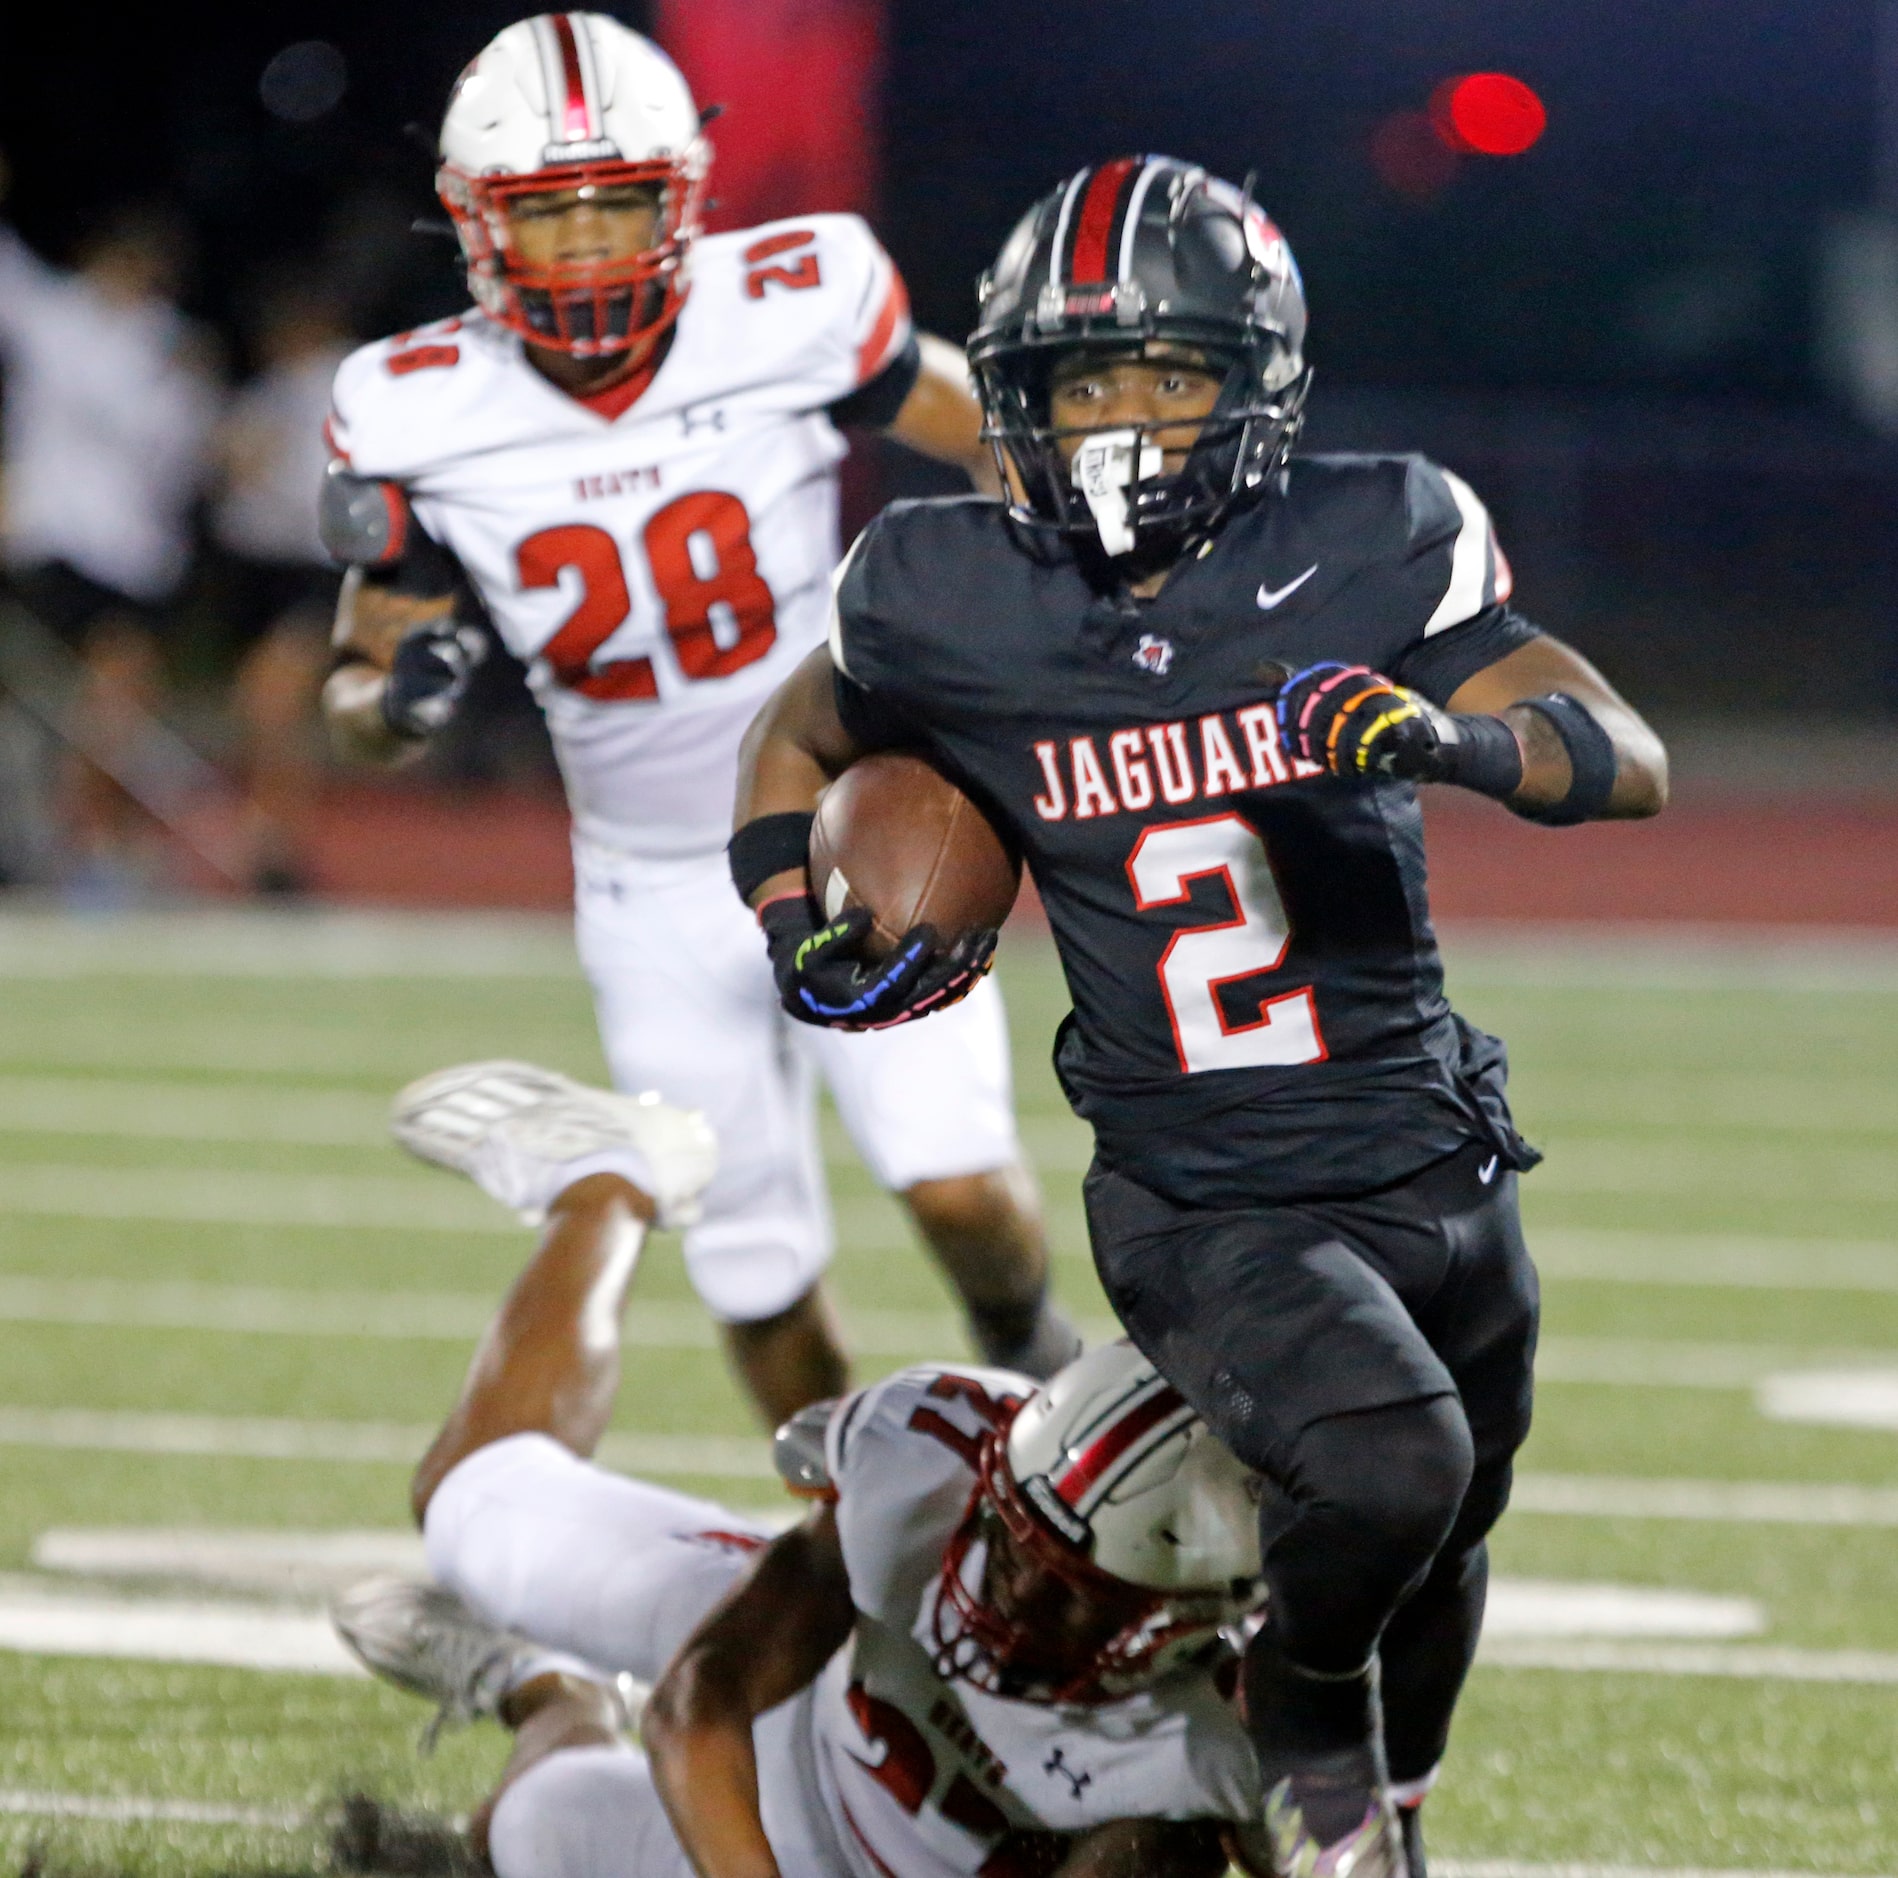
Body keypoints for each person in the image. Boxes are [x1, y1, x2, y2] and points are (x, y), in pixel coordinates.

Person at [731, 156, 1670, 1877]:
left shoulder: (1368, 535)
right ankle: (1298, 1709)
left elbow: (1625, 758)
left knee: (1450, 1521)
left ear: (1254, 382)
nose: (1128, 420)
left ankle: (1373, 1793)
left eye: (1171, 375)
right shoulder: (947, 589)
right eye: (1088, 380)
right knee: (1390, 1467)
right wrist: (797, 919)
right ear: (1019, 392)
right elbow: (794, 740)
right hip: (1201, 1188)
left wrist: (1448, 741)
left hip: (1426, 1146)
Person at [319, 13, 1070, 1430]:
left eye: (622, 209)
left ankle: (1044, 1377)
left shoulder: (789, 299)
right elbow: (359, 682)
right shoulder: (404, 403)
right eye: (553, 218)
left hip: (848, 813)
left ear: (683, 204)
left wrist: (1058, 562)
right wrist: (391, 707)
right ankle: (852, 1534)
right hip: (649, 881)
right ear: (480, 229)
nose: (593, 251)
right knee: (752, 1266)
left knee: (959, 1181)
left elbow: (1000, 438)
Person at [336, 1054, 1280, 1878]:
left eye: (1079, 1594)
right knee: (466, 1504)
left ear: (1189, 1625)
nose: (1013, 1594)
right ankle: (609, 1179)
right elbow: (708, 1697)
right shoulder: (934, 1459)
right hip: (790, 1703)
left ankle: (544, 1688)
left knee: (517, 1834)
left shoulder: (1210, 1752)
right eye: (1013, 1539)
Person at [0, 171, 222, 896]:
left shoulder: (172, 348)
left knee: (111, 713)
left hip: (132, 559)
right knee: (99, 700)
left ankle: (85, 850)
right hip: (49, 542)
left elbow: (191, 454)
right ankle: (75, 848)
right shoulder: (54, 315)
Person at [210, 271, 356, 894]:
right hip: (258, 569)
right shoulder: (269, 389)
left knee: (271, 699)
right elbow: (233, 477)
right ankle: (275, 843)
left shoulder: (343, 378)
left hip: (314, 565)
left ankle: (273, 843)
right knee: (269, 712)